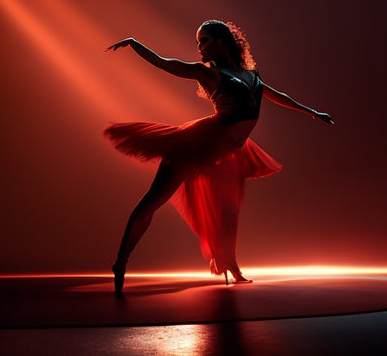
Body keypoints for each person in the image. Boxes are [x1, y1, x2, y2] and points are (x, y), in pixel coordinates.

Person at [104, 20, 333, 293]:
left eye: (204, 41)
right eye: (198, 42)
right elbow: (166, 63)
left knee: (230, 209)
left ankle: (230, 264)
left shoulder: (251, 73)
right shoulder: (207, 73)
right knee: (154, 200)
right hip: (200, 144)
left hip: (231, 149)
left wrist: (311, 111)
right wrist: (134, 43)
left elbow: (276, 95)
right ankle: (121, 262)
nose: (199, 47)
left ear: (222, 41)